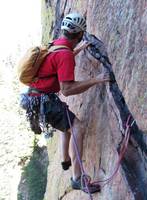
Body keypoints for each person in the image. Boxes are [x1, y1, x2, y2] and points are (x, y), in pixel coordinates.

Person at [20, 12, 110, 193]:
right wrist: (98, 79)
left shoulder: (56, 44)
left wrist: (79, 49)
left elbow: (58, 61)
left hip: (35, 98)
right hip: (44, 101)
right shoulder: (65, 55)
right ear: (78, 34)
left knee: (65, 124)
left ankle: (65, 160)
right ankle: (77, 178)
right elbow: (67, 90)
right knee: (77, 126)